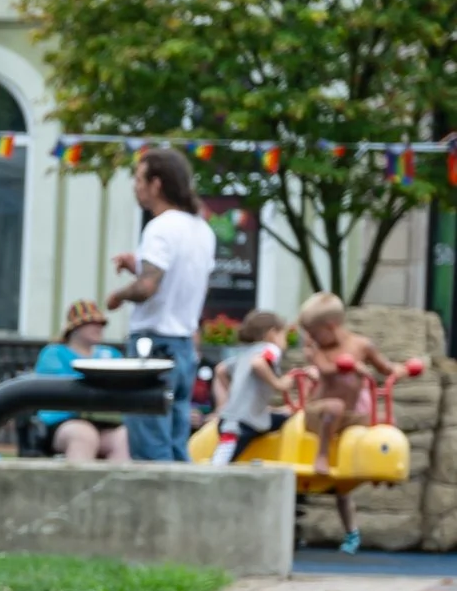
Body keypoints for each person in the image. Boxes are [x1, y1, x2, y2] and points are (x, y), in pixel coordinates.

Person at [106, 146, 215, 461]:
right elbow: (184, 281)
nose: (135, 186)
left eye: (140, 178)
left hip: (152, 347)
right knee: (177, 442)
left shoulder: (160, 227)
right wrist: (139, 264)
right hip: (183, 346)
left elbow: (148, 288)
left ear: (157, 184)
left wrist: (119, 295)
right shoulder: (201, 230)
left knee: (150, 443)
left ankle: (154, 509)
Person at [294, 294, 399, 550]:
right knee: (335, 406)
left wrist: (401, 370)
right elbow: (329, 371)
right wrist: (353, 368)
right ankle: (321, 455)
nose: (311, 339)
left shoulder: (362, 345)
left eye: (314, 333)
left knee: (382, 422)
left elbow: (385, 367)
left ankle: (383, 471)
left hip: (347, 417)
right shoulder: (319, 351)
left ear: (330, 326)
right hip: (320, 413)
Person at [33, 300, 129, 461]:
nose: (98, 327)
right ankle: (78, 486)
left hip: (105, 422)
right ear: (75, 328)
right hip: (63, 422)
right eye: (91, 323)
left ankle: (117, 485)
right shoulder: (54, 353)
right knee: (84, 435)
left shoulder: (111, 354)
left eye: (101, 323)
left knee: (124, 437)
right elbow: (59, 389)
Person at [209, 310, 291, 468]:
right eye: (284, 335)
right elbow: (258, 363)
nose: (285, 340)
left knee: (284, 416)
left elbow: (221, 370)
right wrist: (279, 384)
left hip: (234, 418)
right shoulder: (271, 348)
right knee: (219, 464)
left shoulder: (245, 352)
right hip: (241, 423)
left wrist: (236, 397)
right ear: (273, 333)